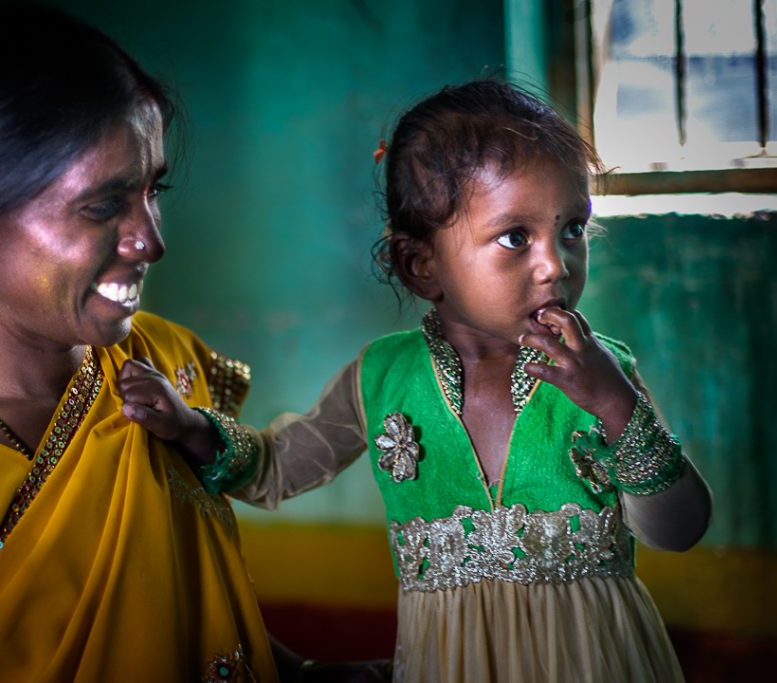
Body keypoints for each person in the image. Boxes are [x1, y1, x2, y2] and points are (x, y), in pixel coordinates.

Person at [125, 79, 714, 681]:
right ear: (421, 264)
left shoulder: (603, 373)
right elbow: (274, 469)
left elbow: (680, 529)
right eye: (516, 237)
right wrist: (190, 428)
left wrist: (616, 406)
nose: (556, 264)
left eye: (572, 229)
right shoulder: (382, 377)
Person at [0, 3, 285, 680]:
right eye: (103, 205)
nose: (151, 240)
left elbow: (202, 620)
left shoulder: (164, 366)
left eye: (154, 190)